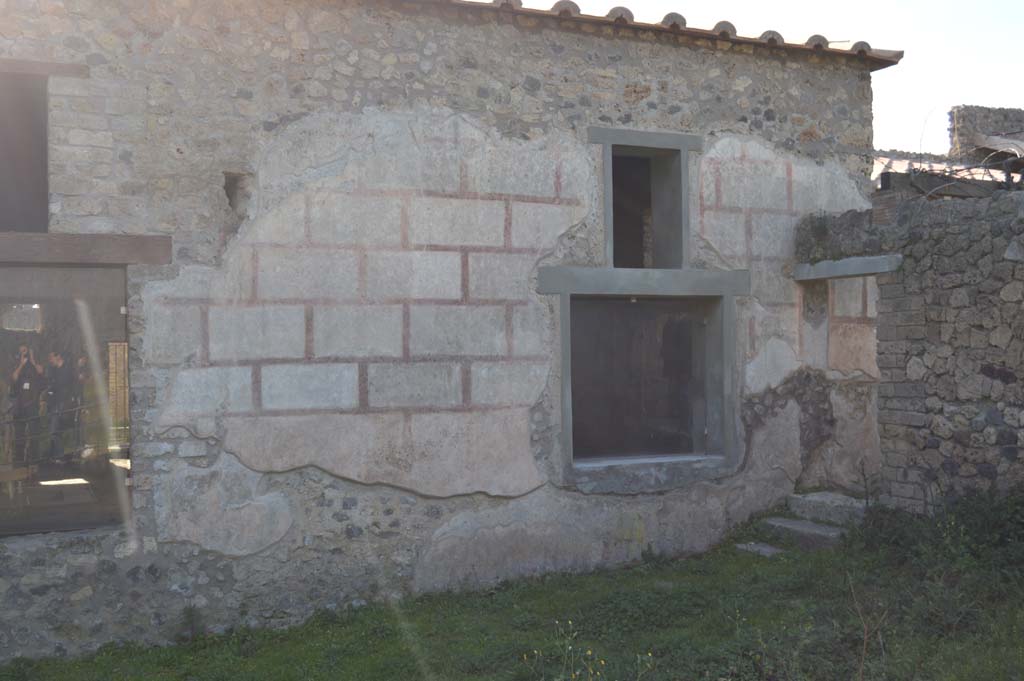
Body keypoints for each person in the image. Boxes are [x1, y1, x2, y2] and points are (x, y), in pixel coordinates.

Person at [10, 344, 43, 464]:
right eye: (21, 351)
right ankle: (19, 460)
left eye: (25, 351)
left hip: (32, 404)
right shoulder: (16, 364)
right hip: (20, 406)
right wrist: (21, 364)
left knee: (34, 433)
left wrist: (33, 360)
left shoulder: (34, 365)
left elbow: (41, 371)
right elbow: (14, 377)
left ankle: (34, 459)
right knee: (19, 435)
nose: (24, 353)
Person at [45, 350, 74, 461]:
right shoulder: (53, 371)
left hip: (63, 404)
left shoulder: (67, 369)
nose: (50, 360)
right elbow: (51, 387)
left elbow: (71, 386)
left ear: (58, 356)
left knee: (55, 431)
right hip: (54, 404)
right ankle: (58, 456)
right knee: (55, 431)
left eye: (51, 357)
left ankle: (60, 456)